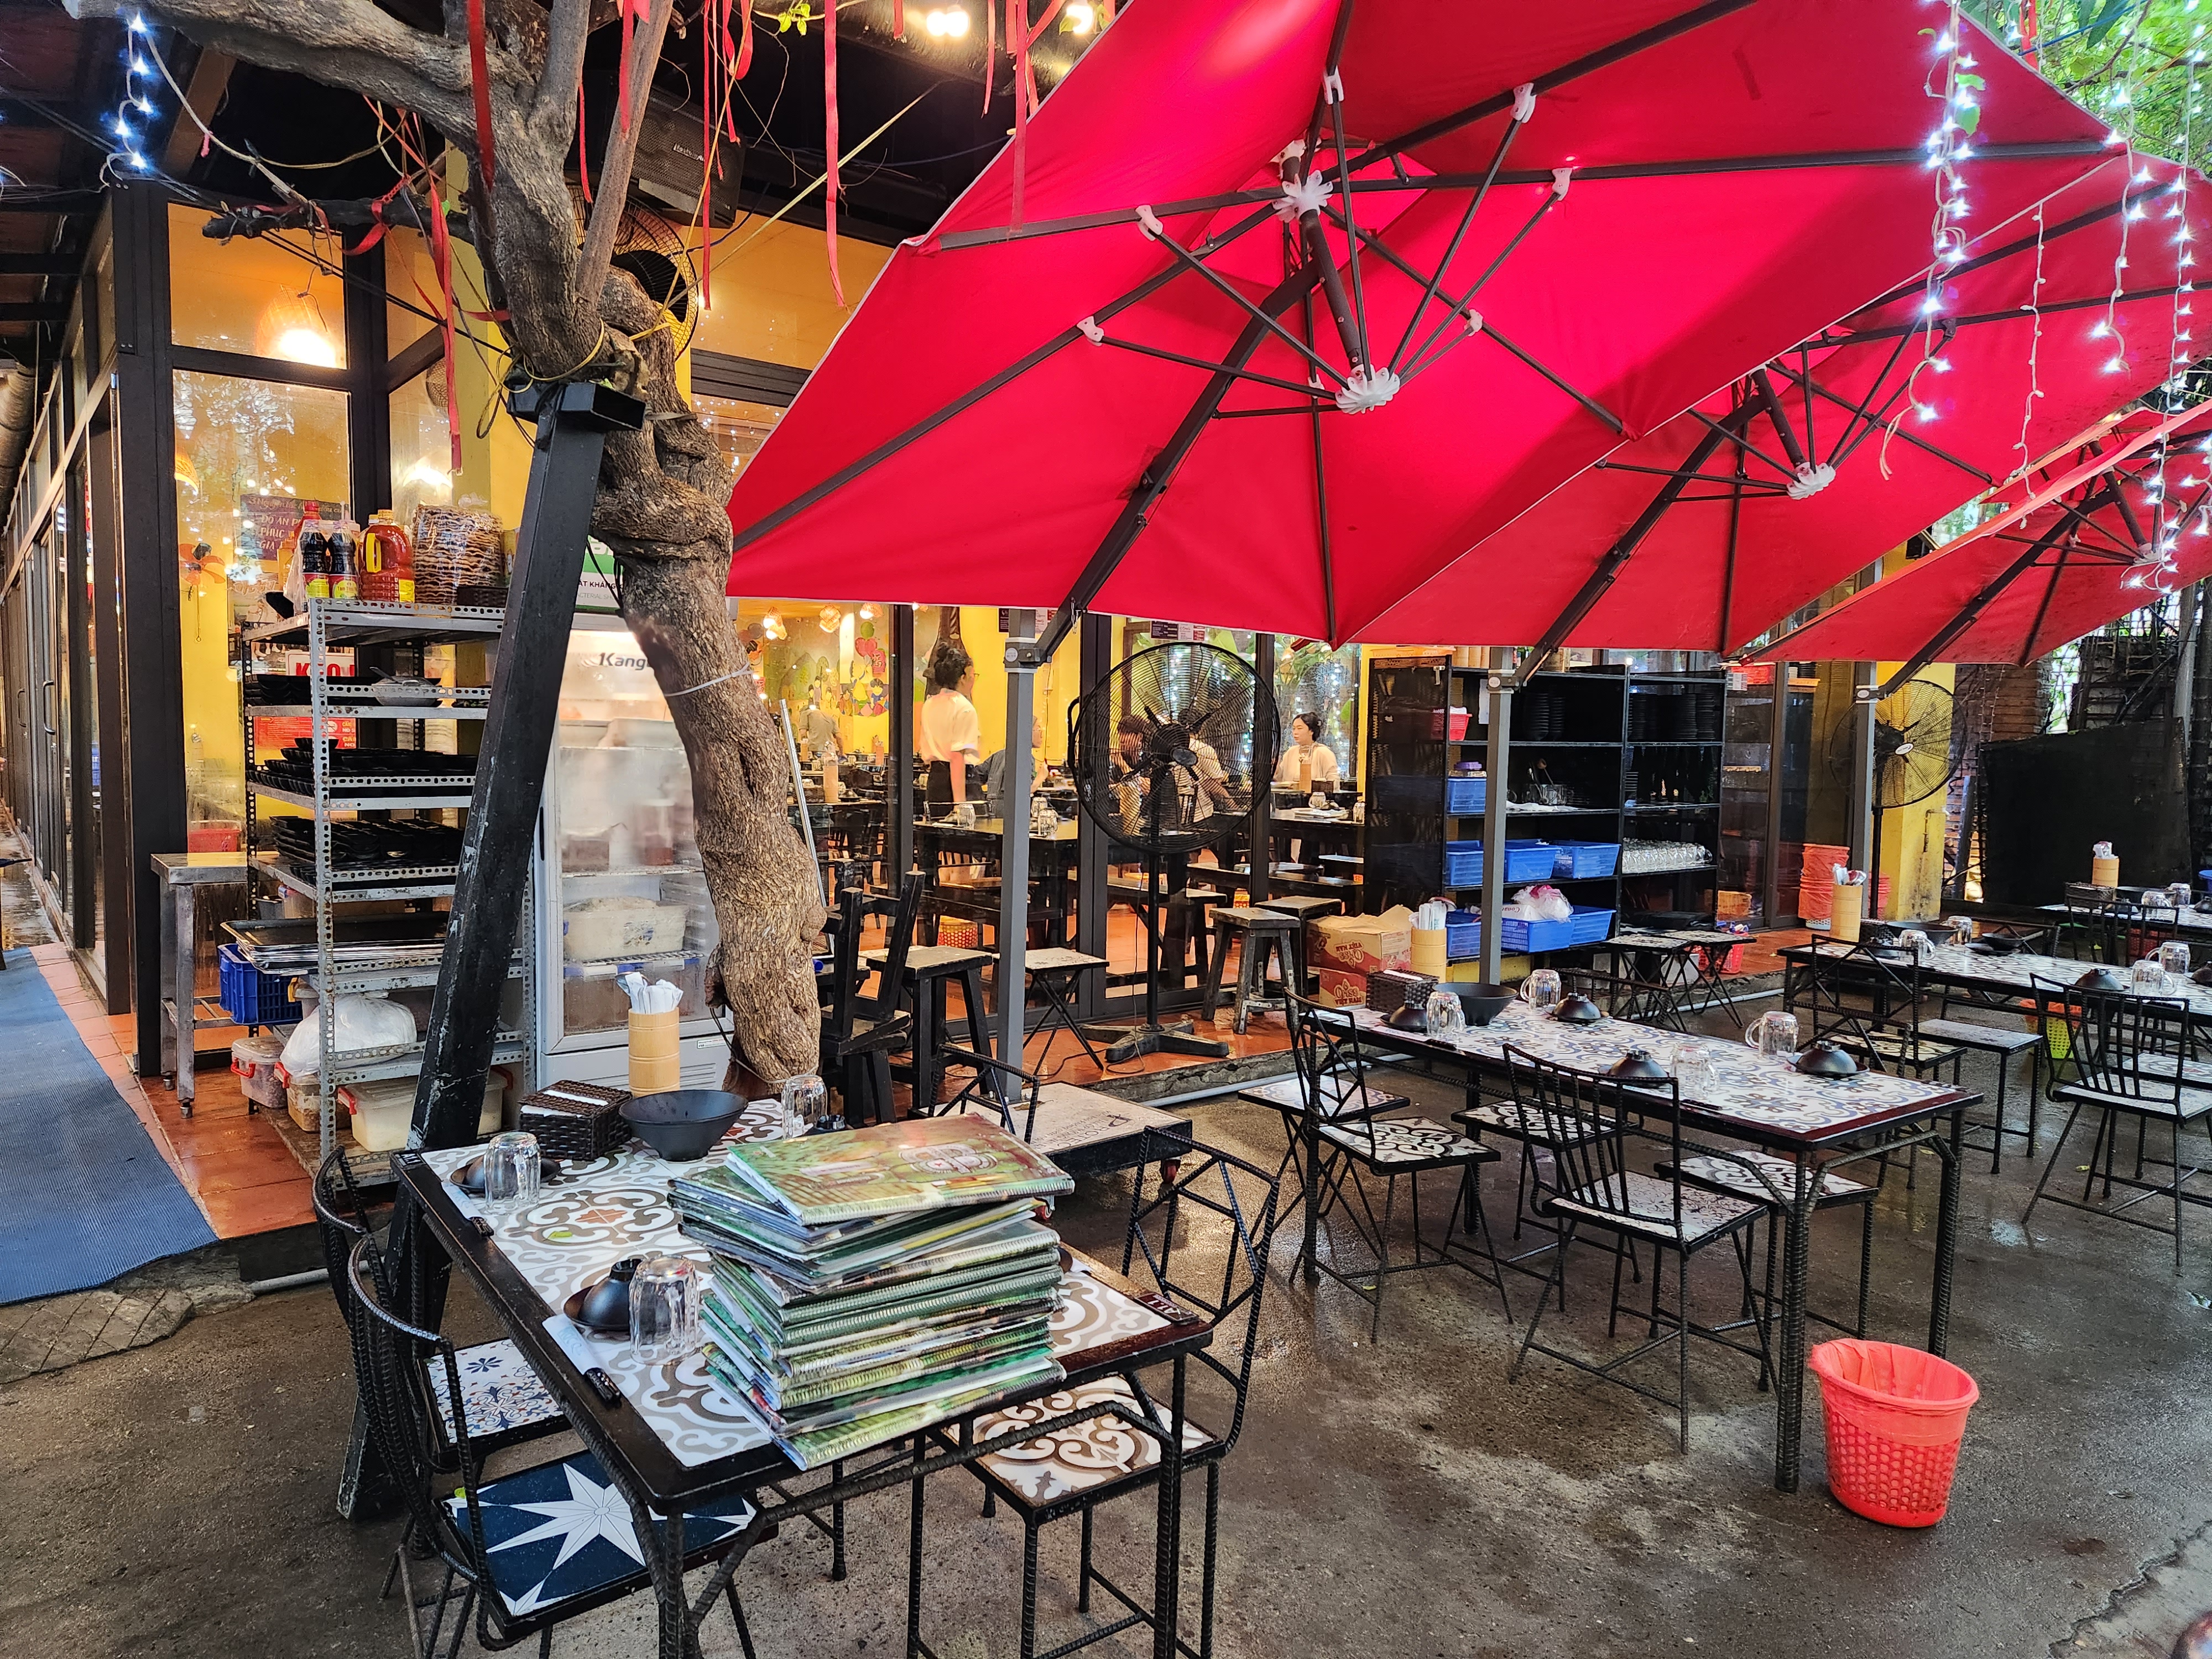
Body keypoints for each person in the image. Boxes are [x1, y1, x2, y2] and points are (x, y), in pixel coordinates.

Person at [919, 639, 982, 811]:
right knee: (965, 827)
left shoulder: (929, 704)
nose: (973, 680)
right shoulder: (964, 708)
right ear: (963, 677)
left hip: (935, 781)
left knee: (935, 825)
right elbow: (957, 757)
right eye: (972, 675)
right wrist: (960, 804)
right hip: (961, 782)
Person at [1274, 709, 1342, 790]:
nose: (1295, 732)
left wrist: (1316, 788)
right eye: (1294, 728)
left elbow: (1334, 782)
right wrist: (1275, 768)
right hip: (1290, 797)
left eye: (1300, 728)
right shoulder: (1291, 752)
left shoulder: (1323, 752)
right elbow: (1280, 780)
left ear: (1311, 731)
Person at [801, 690, 840, 759]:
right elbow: (839, 737)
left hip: (813, 750)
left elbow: (803, 733)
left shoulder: (805, 714)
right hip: (829, 751)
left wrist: (804, 751)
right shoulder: (829, 717)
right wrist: (842, 752)